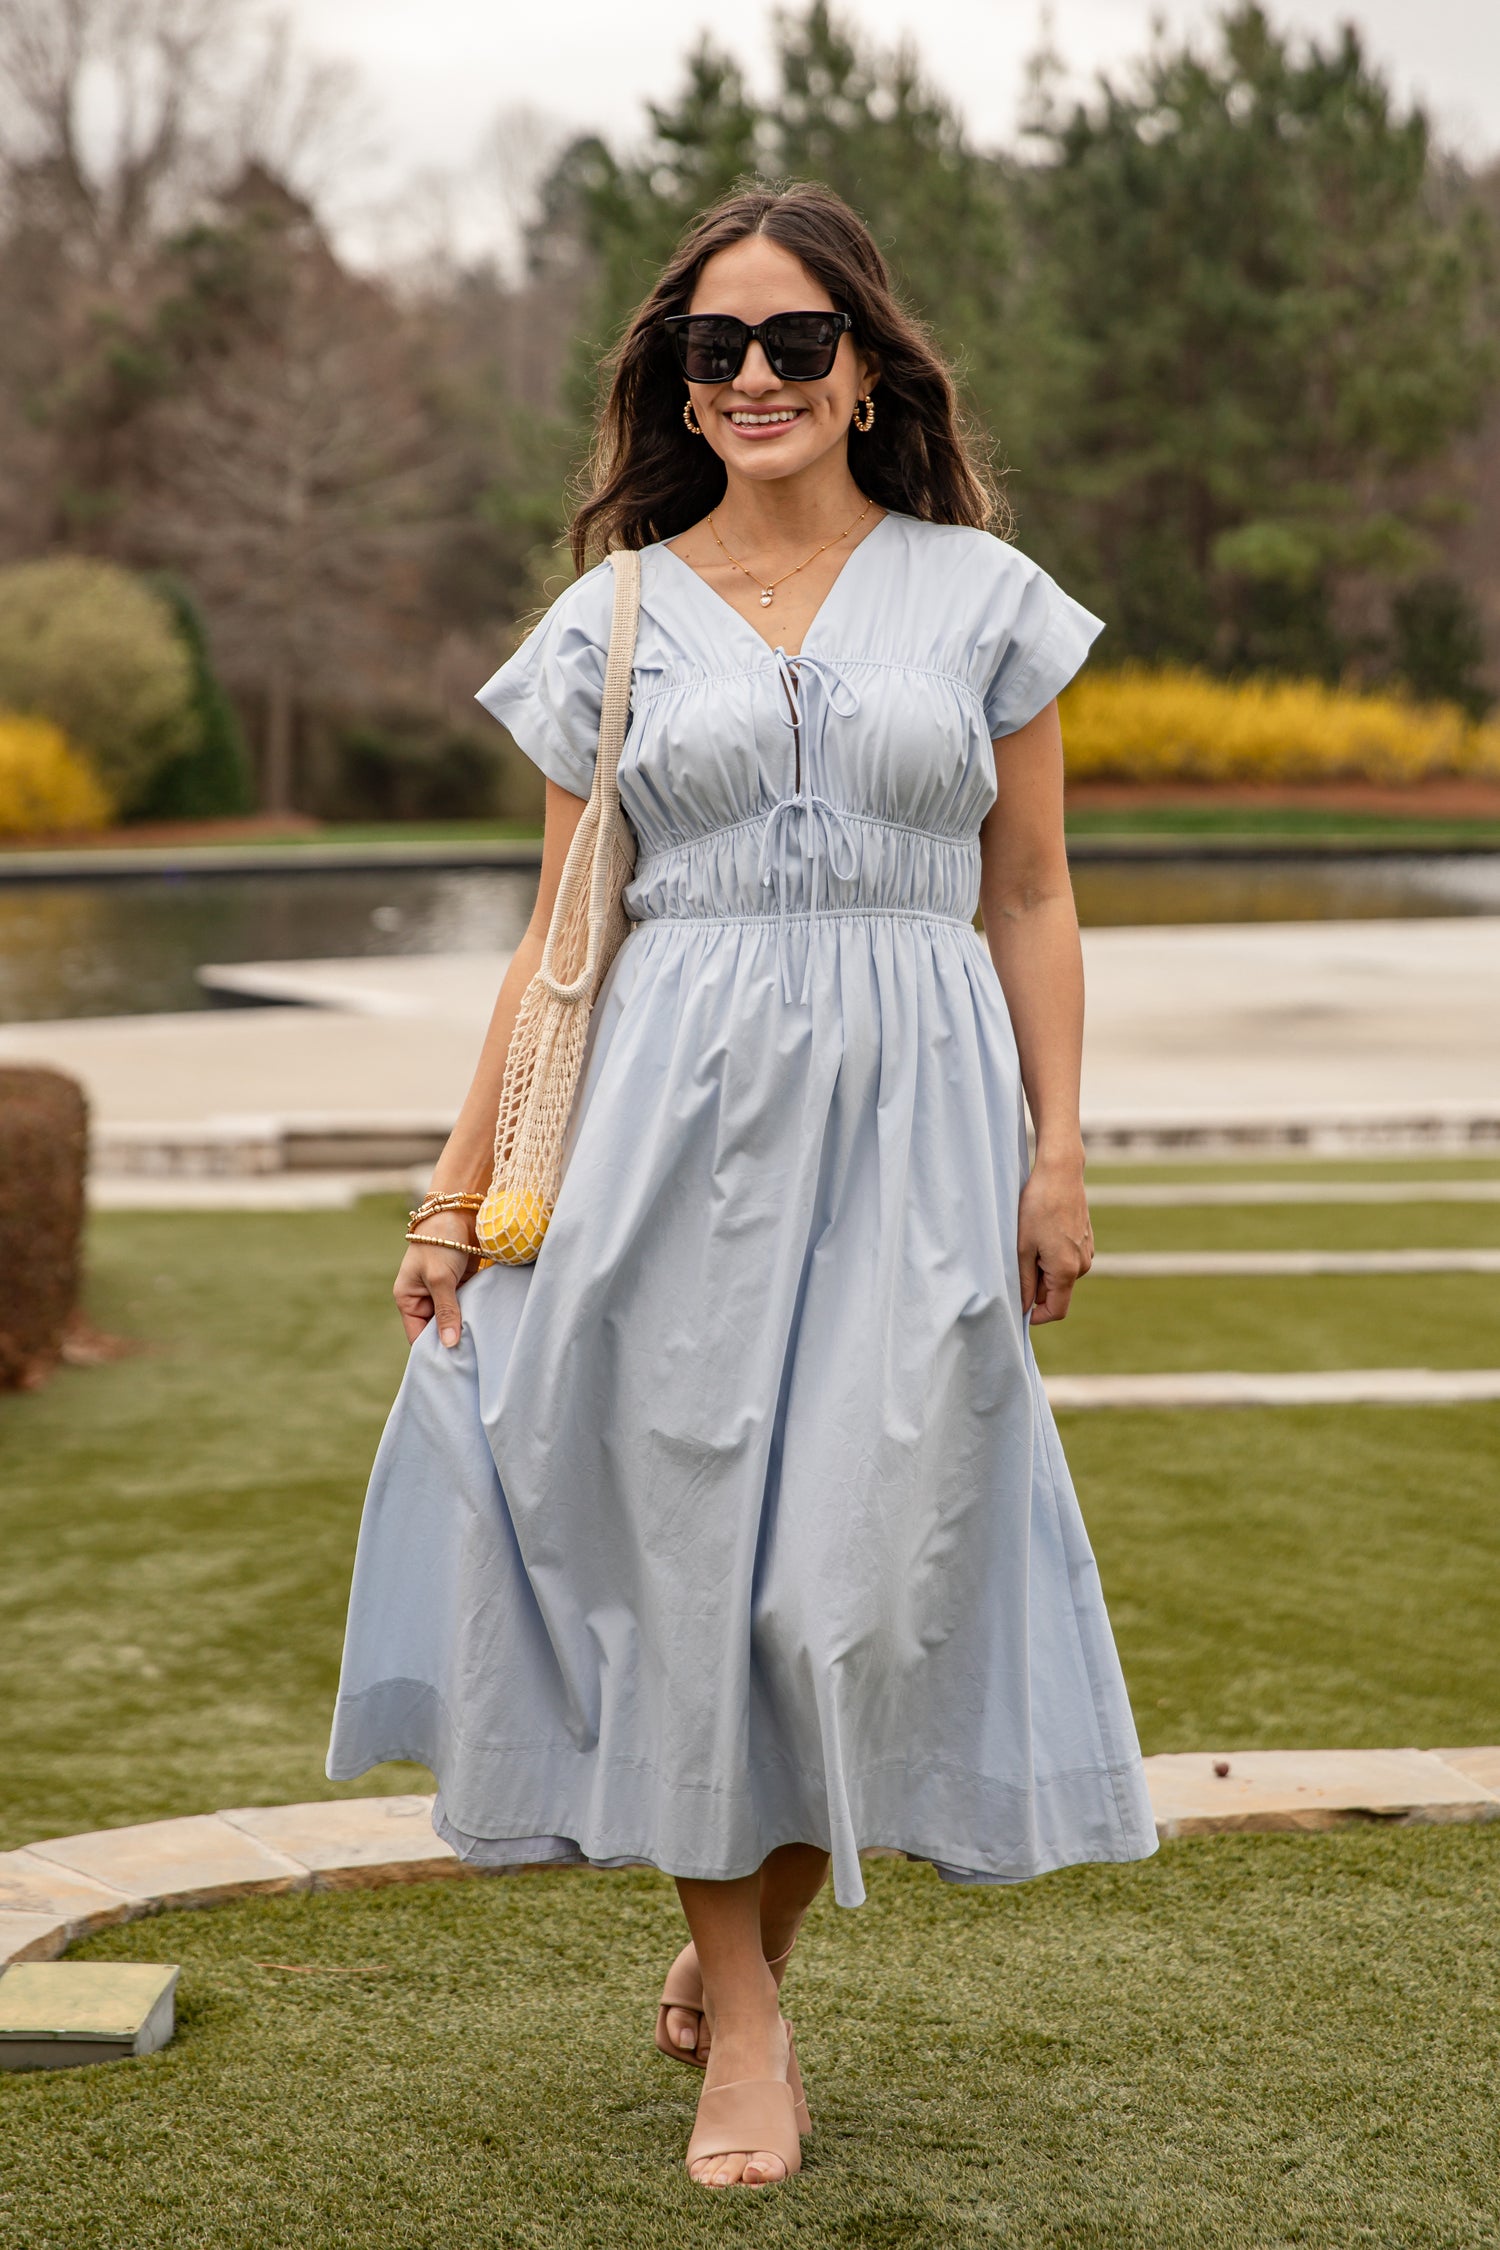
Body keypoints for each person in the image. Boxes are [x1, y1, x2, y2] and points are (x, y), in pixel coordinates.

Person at [326, 180, 1157, 2190]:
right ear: (676, 383)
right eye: (722, 348)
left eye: (799, 340)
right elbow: (554, 938)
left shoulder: (985, 598)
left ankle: (744, 1945)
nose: (762, 375)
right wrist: (455, 1199)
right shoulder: (607, 623)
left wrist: (1059, 1148)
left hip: (920, 1133)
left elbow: (1031, 894)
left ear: (867, 363)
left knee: (847, 1591)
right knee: (701, 1584)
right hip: (661, 1141)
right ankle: (749, 2026)